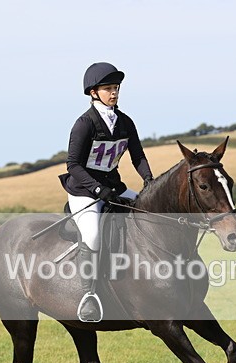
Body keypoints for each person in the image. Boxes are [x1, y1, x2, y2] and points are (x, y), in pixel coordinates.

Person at [58, 62, 153, 322]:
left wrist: (149, 180)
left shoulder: (125, 122)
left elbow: (138, 156)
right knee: (93, 233)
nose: (114, 93)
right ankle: (88, 295)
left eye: (116, 88)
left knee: (150, 213)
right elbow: (73, 165)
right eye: (108, 88)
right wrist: (98, 189)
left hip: (114, 188)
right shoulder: (84, 124)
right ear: (93, 92)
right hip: (84, 191)